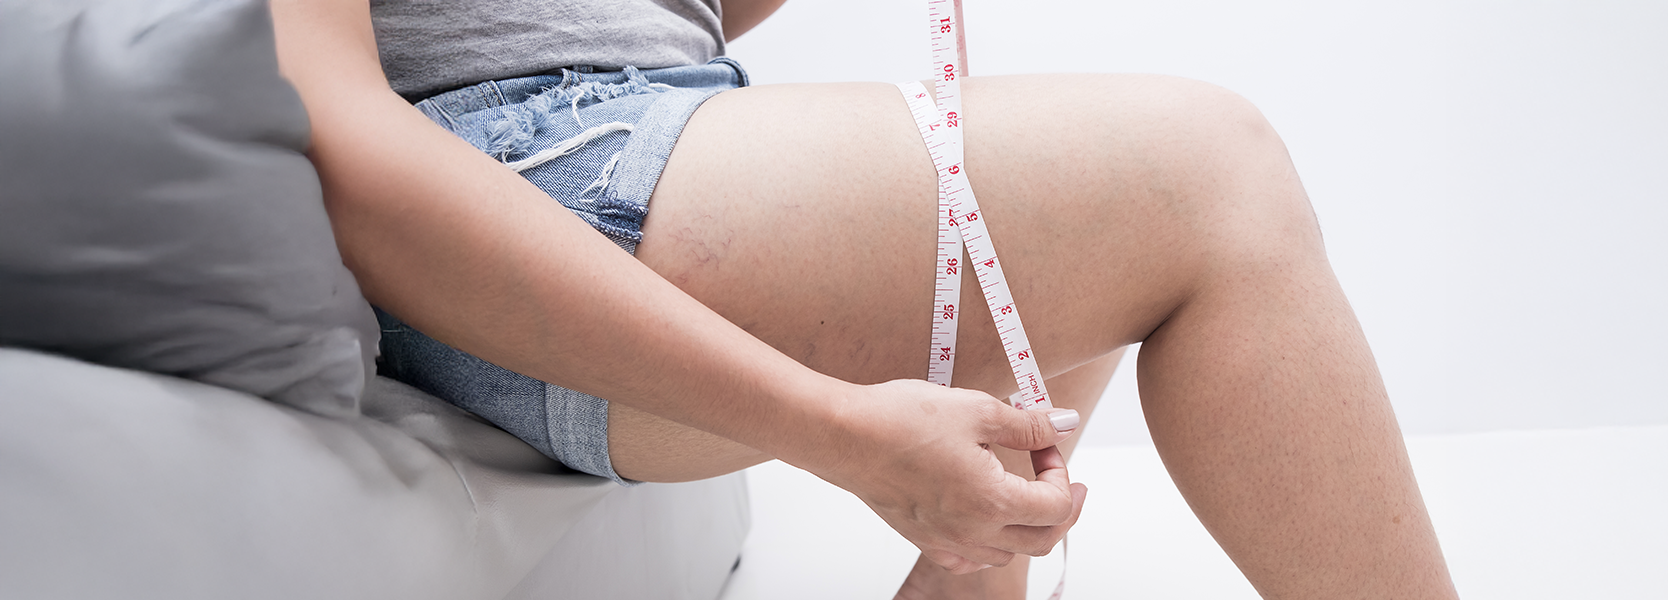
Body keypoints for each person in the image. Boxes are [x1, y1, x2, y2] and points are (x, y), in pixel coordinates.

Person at [269, 0, 1459, 597]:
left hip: (625, 121)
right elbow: (338, 132)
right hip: (525, 186)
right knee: (1209, 175)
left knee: (1083, 217)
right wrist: (836, 434)